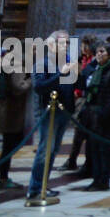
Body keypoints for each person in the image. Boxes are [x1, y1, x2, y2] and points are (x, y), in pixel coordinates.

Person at [24, 31, 76, 200]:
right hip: (49, 112)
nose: (66, 46)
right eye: (63, 43)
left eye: (68, 43)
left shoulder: (68, 62)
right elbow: (39, 86)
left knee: (53, 151)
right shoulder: (42, 63)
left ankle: (43, 186)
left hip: (64, 111)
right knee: (45, 150)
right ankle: (35, 188)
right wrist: (61, 74)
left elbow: (72, 85)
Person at [76, 41, 110, 191]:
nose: (99, 54)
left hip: (106, 117)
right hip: (93, 115)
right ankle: (96, 179)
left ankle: (103, 180)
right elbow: (86, 86)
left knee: (104, 150)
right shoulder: (97, 69)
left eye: (102, 52)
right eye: (97, 52)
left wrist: (104, 113)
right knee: (93, 148)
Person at [0, 45, 30, 191]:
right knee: (11, 144)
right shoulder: (16, 64)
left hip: (3, 109)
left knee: (10, 144)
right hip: (11, 112)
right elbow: (18, 86)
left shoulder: (3, 61)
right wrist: (31, 81)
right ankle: (1, 177)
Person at [63, 35, 97, 172]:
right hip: (78, 98)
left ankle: (77, 161)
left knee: (82, 131)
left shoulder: (93, 62)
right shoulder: (80, 60)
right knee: (79, 131)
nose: (83, 48)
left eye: (85, 45)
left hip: (86, 99)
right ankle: (72, 160)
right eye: (82, 45)